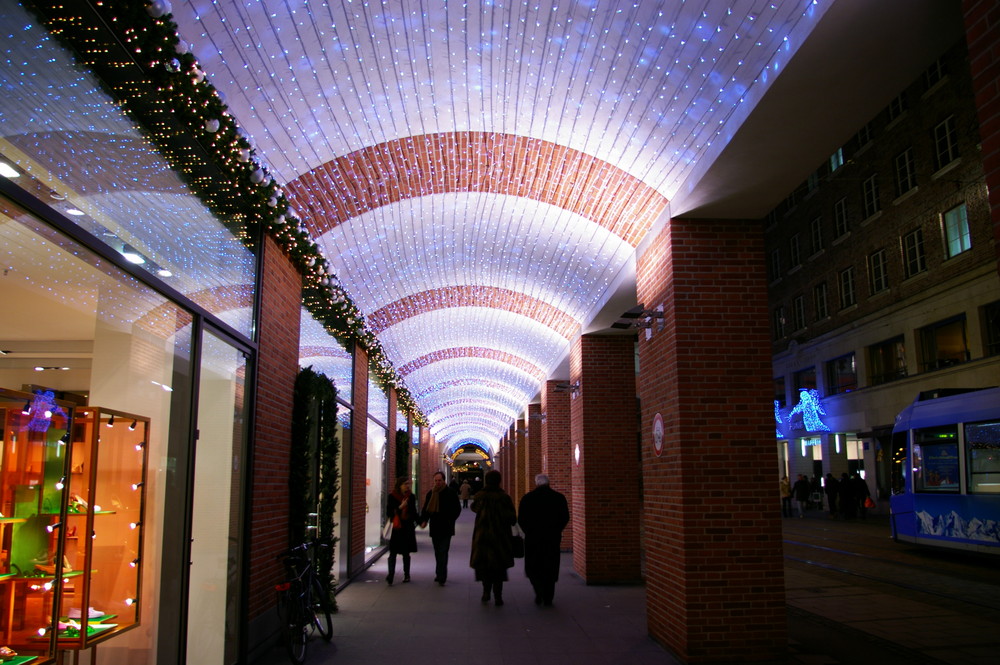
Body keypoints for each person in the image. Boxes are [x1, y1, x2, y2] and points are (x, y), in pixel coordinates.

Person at [517, 474, 569, 606]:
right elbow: (565, 517)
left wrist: (528, 531)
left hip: (533, 538)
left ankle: (538, 591)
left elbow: (521, 519)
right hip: (552, 538)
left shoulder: (527, 498)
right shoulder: (559, 498)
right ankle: (548, 595)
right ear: (549, 483)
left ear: (536, 483)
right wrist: (557, 530)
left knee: (534, 565)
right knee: (550, 565)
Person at [469, 469, 517, 606]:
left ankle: (486, 592)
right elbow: (512, 518)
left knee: (484, 567)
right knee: (499, 568)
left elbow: (474, 508)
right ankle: (498, 595)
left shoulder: (480, 496)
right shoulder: (504, 498)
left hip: (482, 537)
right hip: (500, 538)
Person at [420, 471, 462, 585]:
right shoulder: (431, 493)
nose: (438, 483)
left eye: (440, 480)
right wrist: (424, 520)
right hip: (435, 527)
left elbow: (457, 509)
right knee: (437, 551)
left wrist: (450, 519)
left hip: (446, 527)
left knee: (443, 551)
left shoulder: (450, 493)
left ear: (444, 481)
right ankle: (439, 572)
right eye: (436, 481)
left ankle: (442, 575)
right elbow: (426, 509)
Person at [385, 477, 418, 585]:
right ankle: (391, 575)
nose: (407, 486)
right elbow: (389, 513)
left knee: (406, 553)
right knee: (392, 553)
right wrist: (400, 507)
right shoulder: (392, 497)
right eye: (405, 484)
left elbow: (414, 512)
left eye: (408, 484)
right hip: (396, 529)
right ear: (399, 485)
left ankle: (407, 575)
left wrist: (421, 521)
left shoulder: (411, 497)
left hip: (407, 528)